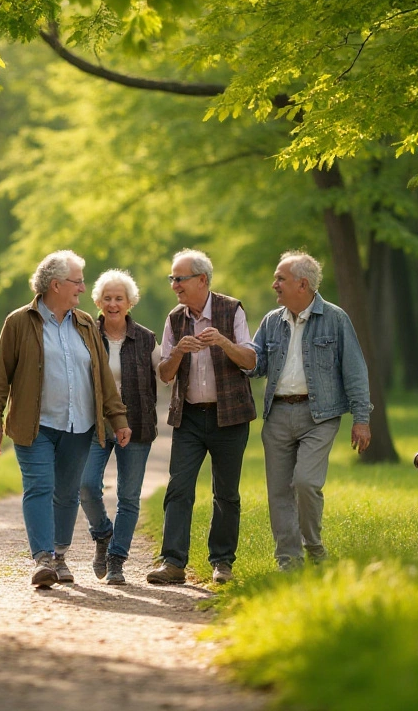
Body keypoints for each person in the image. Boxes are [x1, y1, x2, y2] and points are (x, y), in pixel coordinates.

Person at [0, 250, 131, 588]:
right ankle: (43, 558)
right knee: (39, 487)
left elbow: (103, 378)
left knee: (66, 493)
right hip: (34, 426)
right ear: (56, 285)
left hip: (79, 427)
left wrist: (117, 418)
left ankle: (60, 554)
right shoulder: (19, 322)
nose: (82, 288)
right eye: (77, 281)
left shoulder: (85, 324)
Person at [244, 251, 372, 571]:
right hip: (277, 415)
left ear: (302, 284)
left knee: (305, 483)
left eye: (280, 279)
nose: (274, 284)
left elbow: (355, 371)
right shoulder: (272, 321)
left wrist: (361, 420)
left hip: (320, 416)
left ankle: (313, 544)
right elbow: (256, 365)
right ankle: (288, 559)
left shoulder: (335, 318)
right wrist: (230, 349)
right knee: (279, 492)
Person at [147, 249, 257, 585]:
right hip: (190, 417)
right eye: (172, 279)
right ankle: (173, 563)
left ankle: (222, 563)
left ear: (202, 280)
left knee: (226, 493)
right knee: (179, 489)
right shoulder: (174, 318)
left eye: (179, 279)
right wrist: (179, 351)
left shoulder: (231, 309)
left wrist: (223, 341)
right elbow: (165, 375)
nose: (174, 285)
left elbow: (250, 361)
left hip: (230, 417)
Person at [75, 269, 161, 585]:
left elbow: (165, 373)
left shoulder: (146, 339)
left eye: (119, 298)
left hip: (136, 425)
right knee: (85, 485)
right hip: (94, 424)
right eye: (107, 298)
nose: (113, 304)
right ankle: (102, 534)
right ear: (98, 301)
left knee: (129, 496)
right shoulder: (84, 335)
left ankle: (116, 560)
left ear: (129, 302)